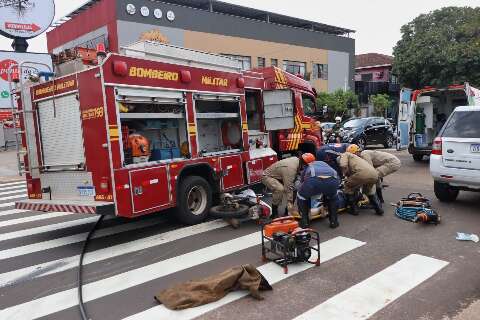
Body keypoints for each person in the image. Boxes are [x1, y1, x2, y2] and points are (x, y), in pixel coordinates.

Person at [297, 155, 341, 229]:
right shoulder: (322, 163)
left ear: (304, 163)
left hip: (314, 180)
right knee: (333, 197)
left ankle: (305, 221)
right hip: (333, 179)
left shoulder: (307, 167)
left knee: (302, 196)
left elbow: (302, 182)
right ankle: (334, 221)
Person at [338, 151, 383, 216]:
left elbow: (343, 165)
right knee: (369, 191)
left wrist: (344, 174)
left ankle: (354, 210)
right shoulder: (357, 159)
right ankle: (379, 209)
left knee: (348, 187)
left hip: (363, 174)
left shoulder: (344, 154)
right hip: (374, 174)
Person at [262, 155, 306, 219]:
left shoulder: (297, 160)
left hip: (279, 176)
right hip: (267, 176)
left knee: (295, 188)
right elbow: (288, 187)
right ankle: (274, 213)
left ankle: (287, 211)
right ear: (303, 164)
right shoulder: (291, 168)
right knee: (280, 189)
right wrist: (289, 202)